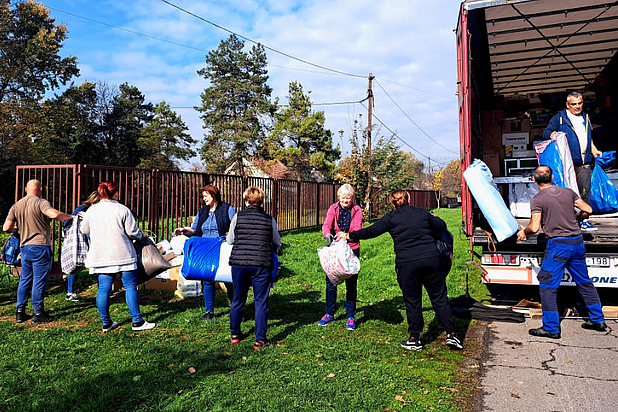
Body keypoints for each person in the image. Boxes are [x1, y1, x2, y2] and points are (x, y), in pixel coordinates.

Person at [337, 190, 463, 351]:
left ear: (392, 203)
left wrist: (348, 235)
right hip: (431, 260)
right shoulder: (422, 213)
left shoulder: (391, 218)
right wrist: (434, 220)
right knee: (439, 298)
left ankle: (414, 339)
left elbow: (371, 231)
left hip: (407, 264)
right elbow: (441, 226)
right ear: (408, 199)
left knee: (413, 301)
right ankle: (452, 334)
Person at [517, 166, 607, 339]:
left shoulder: (538, 199)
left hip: (559, 245)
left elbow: (535, 227)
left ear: (534, 180)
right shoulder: (568, 192)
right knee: (584, 282)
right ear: (552, 177)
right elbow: (588, 209)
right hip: (577, 243)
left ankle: (551, 328)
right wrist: (577, 218)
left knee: (547, 285)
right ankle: (598, 320)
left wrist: (523, 232)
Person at [81, 181, 155, 332]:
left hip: (100, 255)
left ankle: (106, 323)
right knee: (129, 287)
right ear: (116, 193)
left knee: (103, 289)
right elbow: (132, 232)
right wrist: (142, 235)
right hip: (123, 254)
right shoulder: (123, 210)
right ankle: (137, 321)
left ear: (101, 193)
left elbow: (85, 230)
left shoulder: (92, 211)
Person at [3, 179, 74, 324]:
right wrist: (69, 217)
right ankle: (38, 313)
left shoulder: (17, 205)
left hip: (25, 248)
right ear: (40, 190)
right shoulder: (41, 202)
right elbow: (53, 214)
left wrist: (18, 231)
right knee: (39, 281)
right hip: (41, 246)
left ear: (25, 189)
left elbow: (6, 227)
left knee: (24, 280)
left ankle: (20, 312)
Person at [227, 186, 281, 350]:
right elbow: (276, 241)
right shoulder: (269, 219)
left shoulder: (238, 216)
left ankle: (235, 334)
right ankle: (260, 340)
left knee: (238, 299)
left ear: (245, 200)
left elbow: (230, 240)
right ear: (262, 201)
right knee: (261, 301)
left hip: (239, 263)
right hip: (261, 263)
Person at [174, 185, 236, 320]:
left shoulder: (227, 209)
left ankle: (235, 309)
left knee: (228, 280)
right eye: (203, 196)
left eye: (206, 196)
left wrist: (230, 233)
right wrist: (185, 231)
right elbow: (195, 230)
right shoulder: (202, 212)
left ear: (213, 195)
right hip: (206, 250)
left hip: (222, 249)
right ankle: (209, 311)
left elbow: (237, 225)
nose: (204, 199)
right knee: (207, 279)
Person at [543, 91, 602, 231]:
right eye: (573, 104)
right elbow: (546, 132)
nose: (577, 107)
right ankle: (569, 221)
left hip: (584, 162)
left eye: (579, 103)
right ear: (567, 105)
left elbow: (588, 136)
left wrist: (594, 149)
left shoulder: (586, 117)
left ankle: (583, 220)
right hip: (566, 163)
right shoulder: (560, 118)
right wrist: (553, 134)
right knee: (568, 193)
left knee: (585, 191)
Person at [318, 184, 363, 330]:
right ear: (339, 197)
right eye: (343, 198)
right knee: (331, 281)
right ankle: (329, 313)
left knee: (351, 283)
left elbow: (357, 229)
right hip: (336, 249)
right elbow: (326, 225)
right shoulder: (333, 208)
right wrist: (328, 235)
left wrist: (347, 236)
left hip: (351, 248)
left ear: (352, 198)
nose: (345, 201)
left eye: (348, 198)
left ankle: (350, 315)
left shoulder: (357, 210)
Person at [63, 191, 101, 302]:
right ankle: (70, 292)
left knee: (97, 264)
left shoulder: (98, 210)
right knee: (76, 264)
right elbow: (68, 221)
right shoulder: (82, 208)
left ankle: (101, 291)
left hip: (93, 238)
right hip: (81, 239)